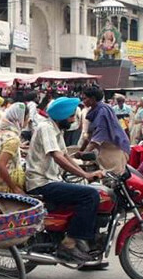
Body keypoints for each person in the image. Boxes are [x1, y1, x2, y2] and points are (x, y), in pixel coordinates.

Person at [25, 97, 103, 263]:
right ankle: (69, 243)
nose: (74, 120)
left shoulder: (56, 130)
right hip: (41, 183)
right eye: (71, 116)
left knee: (96, 193)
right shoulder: (46, 128)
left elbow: (66, 155)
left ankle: (86, 244)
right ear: (62, 115)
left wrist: (87, 171)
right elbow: (58, 156)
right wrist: (85, 175)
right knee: (90, 195)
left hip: (52, 180)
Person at [79, 86, 130, 175]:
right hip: (104, 149)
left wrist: (85, 152)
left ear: (92, 99)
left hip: (113, 149)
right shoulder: (94, 111)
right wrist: (81, 150)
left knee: (111, 179)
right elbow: (90, 135)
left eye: (85, 98)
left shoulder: (103, 111)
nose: (83, 101)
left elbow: (98, 136)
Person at [0, 103, 28, 194]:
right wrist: (15, 188)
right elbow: (0, 166)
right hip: (3, 188)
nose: (28, 121)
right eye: (27, 118)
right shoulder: (13, 139)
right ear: (20, 118)